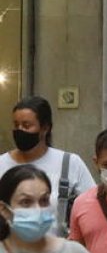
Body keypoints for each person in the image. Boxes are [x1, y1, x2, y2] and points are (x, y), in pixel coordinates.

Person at [0, 95, 96, 233]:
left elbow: (94, 209)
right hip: (8, 251)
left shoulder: (69, 163)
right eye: (16, 125)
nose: (20, 130)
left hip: (55, 250)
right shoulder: (2, 164)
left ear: (45, 128)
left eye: (26, 125)